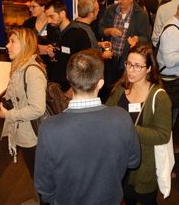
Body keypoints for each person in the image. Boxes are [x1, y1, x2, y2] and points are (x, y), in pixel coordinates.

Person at [34, 49, 141, 205]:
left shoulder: (49, 128)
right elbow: (133, 161)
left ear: (68, 79)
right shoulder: (121, 118)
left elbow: (44, 187)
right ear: (101, 83)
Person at [106, 45, 172, 205]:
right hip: (120, 160)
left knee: (146, 199)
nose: (131, 70)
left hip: (144, 165)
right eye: (128, 64)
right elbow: (106, 113)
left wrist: (129, 129)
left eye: (137, 66)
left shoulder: (159, 96)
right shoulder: (122, 88)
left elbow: (163, 135)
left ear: (149, 68)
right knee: (126, 198)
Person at [0, 27, 47, 203]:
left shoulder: (32, 71)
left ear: (25, 45)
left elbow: (37, 109)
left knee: (40, 176)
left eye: (13, 42)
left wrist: (9, 115)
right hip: (25, 131)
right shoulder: (19, 66)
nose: (7, 45)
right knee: (37, 174)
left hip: (33, 136)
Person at [99, 0, 151, 99]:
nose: (119, 1)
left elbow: (146, 37)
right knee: (107, 89)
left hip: (127, 61)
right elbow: (100, 29)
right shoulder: (111, 10)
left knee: (123, 90)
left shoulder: (140, 15)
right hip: (109, 59)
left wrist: (137, 39)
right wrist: (108, 31)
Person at [44, 0, 91, 97]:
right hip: (53, 86)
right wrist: (52, 57)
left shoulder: (79, 34)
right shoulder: (52, 30)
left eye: (51, 16)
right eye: (47, 17)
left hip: (71, 88)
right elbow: (54, 60)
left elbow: (85, 65)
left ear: (62, 13)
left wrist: (73, 89)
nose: (48, 20)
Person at [22, 0, 56, 66]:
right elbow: (22, 43)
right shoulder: (27, 23)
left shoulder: (53, 24)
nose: (30, 9)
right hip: (29, 64)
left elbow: (56, 48)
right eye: (30, 7)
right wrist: (38, 48)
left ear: (43, 7)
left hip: (49, 66)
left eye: (33, 7)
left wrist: (49, 51)